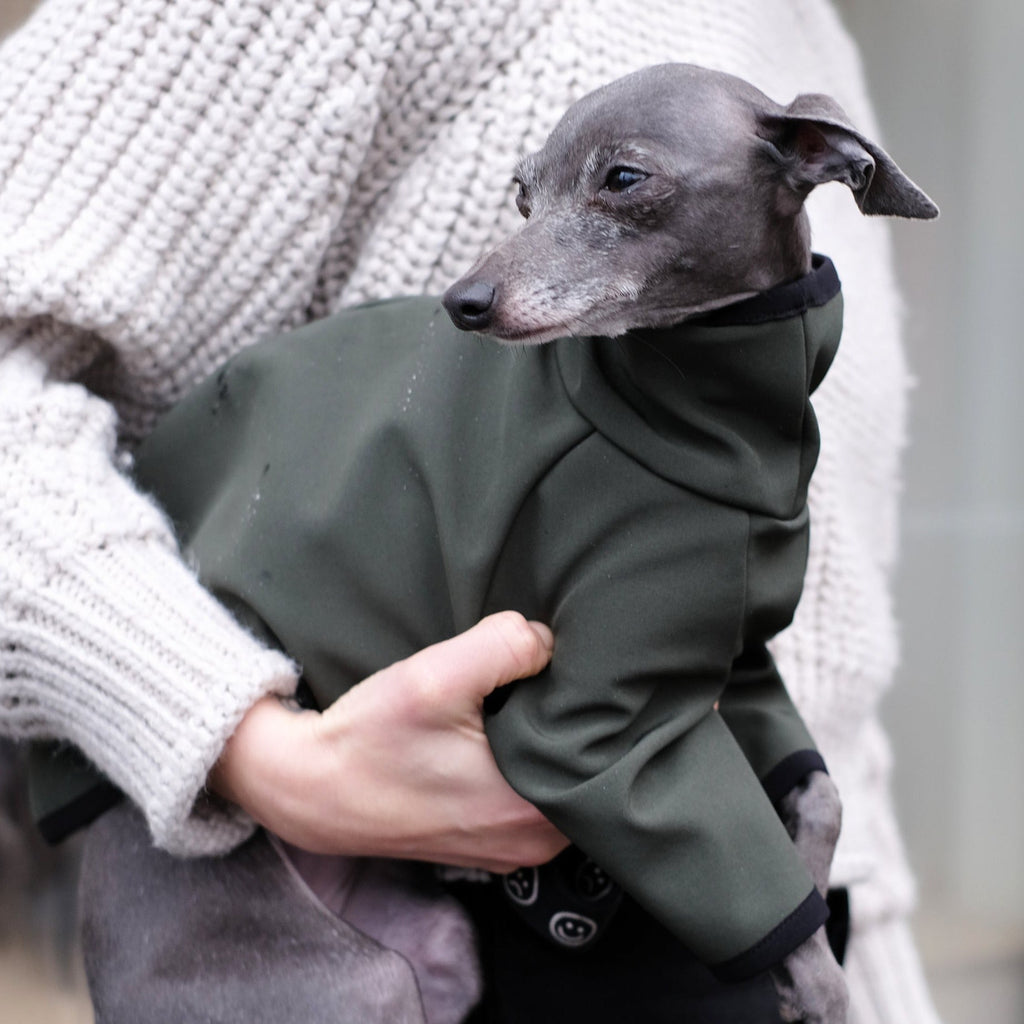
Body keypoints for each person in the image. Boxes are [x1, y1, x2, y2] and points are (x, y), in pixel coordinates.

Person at [0, 1, 941, 1022]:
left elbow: (803, 660)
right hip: (365, 909)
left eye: (621, 185)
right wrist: (245, 745)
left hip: (751, 910)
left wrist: (853, 960)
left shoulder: (804, 32)